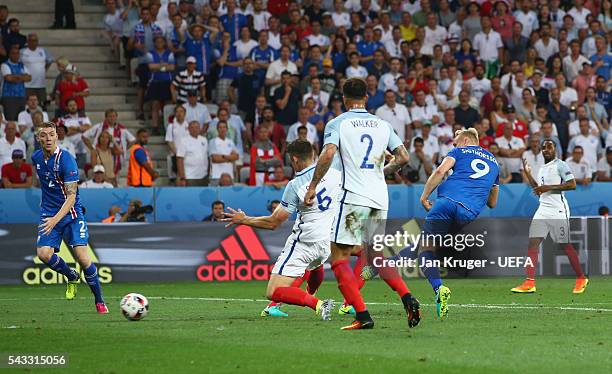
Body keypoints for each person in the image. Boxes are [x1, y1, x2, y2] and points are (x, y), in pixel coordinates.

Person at [304, 77, 420, 330]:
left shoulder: (337, 123)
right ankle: (407, 297)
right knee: (375, 255)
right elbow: (403, 157)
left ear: (344, 98)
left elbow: (328, 153)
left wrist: (313, 185)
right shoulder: (383, 124)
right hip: (380, 197)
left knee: (339, 257)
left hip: (354, 197)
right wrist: (383, 170)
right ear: (366, 98)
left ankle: (363, 316)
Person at [364, 128, 500, 320]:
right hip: (468, 214)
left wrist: (424, 196)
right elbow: (492, 203)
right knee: (424, 245)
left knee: (425, 250)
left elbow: (440, 171)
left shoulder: (458, 152)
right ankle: (377, 268)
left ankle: (438, 288)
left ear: (467, 140)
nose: (454, 143)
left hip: (446, 203)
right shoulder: (494, 162)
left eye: (456, 140)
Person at [222, 140, 336, 320]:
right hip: (325, 242)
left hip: (304, 242)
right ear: (313, 155)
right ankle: (303, 297)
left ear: (295, 159)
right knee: (315, 266)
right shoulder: (334, 173)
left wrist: (244, 220)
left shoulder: (296, 184)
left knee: (274, 291)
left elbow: (274, 222)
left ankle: (318, 304)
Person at [32, 121, 107, 313]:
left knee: (83, 257)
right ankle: (71, 276)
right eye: (43, 135)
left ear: (57, 136)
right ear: (38, 138)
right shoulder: (36, 157)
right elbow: (43, 182)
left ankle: (99, 300)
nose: (48, 138)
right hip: (49, 213)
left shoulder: (67, 160)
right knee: (43, 255)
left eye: (51, 134)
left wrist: (55, 219)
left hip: (71, 213)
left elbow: (72, 196)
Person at [511, 140, 588, 294]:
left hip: (558, 210)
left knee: (564, 244)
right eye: (544, 147)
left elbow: (572, 184)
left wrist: (548, 187)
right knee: (533, 243)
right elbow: (539, 190)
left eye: (549, 147)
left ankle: (581, 277)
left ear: (555, 150)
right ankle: (529, 282)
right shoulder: (541, 169)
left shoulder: (561, 165)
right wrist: (528, 174)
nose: (546, 149)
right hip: (543, 209)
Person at [146, 36, 175, 132]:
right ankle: (155, 127)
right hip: (155, 81)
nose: (159, 43)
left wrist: (158, 66)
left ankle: (167, 126)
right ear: (155, 43)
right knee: (155, 104)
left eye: (161, 41)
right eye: (157, 41)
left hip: (167, 81)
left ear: (164, 43)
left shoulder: (169, 53)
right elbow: (150, 66)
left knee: (167, 104)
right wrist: (164, 65)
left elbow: (172, 67)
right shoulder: (150, 54)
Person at [20, 33, 53, 106]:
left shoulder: (43, 51)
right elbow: (17, 64)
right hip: (27, 85)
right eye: (31, 40)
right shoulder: (22, 51)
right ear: (27, 41)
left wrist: (44, 70)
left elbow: (50, 61)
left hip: (41, 85)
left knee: (42, 106)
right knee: (27, 106)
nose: (33, 42)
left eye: (35, 40)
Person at [1, 46, 31, 120]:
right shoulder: (5, 65)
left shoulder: (22, 65)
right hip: (9, 96)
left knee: (21, 119)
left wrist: (16, 77)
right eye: (13, 53)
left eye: (17, 53)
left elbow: (29, 78)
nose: (15, 55)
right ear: (9, 54)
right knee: (11, 119)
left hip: (21, 96)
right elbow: (9, 78)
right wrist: (22, 77)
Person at [176, 121, 209, 186]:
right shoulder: (183, 141)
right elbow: (179, 159)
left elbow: (207, 157)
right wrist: (182, 177)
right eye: (192, 127)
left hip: (204, 176)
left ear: (200, 129)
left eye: (197, 127)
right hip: (190, 176)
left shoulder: (204, 140)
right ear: (188, 129)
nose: (194, 129)